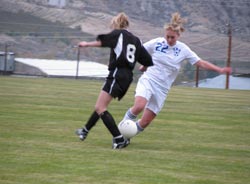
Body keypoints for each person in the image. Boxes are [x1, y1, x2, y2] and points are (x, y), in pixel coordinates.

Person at [122, 12, 232, 135]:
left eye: (172, 37)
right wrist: (145, 64)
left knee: (145, 122)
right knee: (139, 106)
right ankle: (120, 132)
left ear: (178, 35)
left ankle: (126, 136)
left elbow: (200, 63)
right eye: (167, 36)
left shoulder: (183, 49)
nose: (169, 39)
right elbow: (139, 50)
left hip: (162, 88)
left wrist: (220, 70)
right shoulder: (157, 42)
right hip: (149, 80)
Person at [75, 12, 153, 149]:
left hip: (117, 73)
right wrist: (144, 67)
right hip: (127, 77)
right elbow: (147, 60)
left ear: (116, 24)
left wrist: (86, 44)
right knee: (101, 105)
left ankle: (119, 139)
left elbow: (102, 42)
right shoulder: (136, 40)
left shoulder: (118, 34)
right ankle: (85, 131)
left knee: (101, 107)